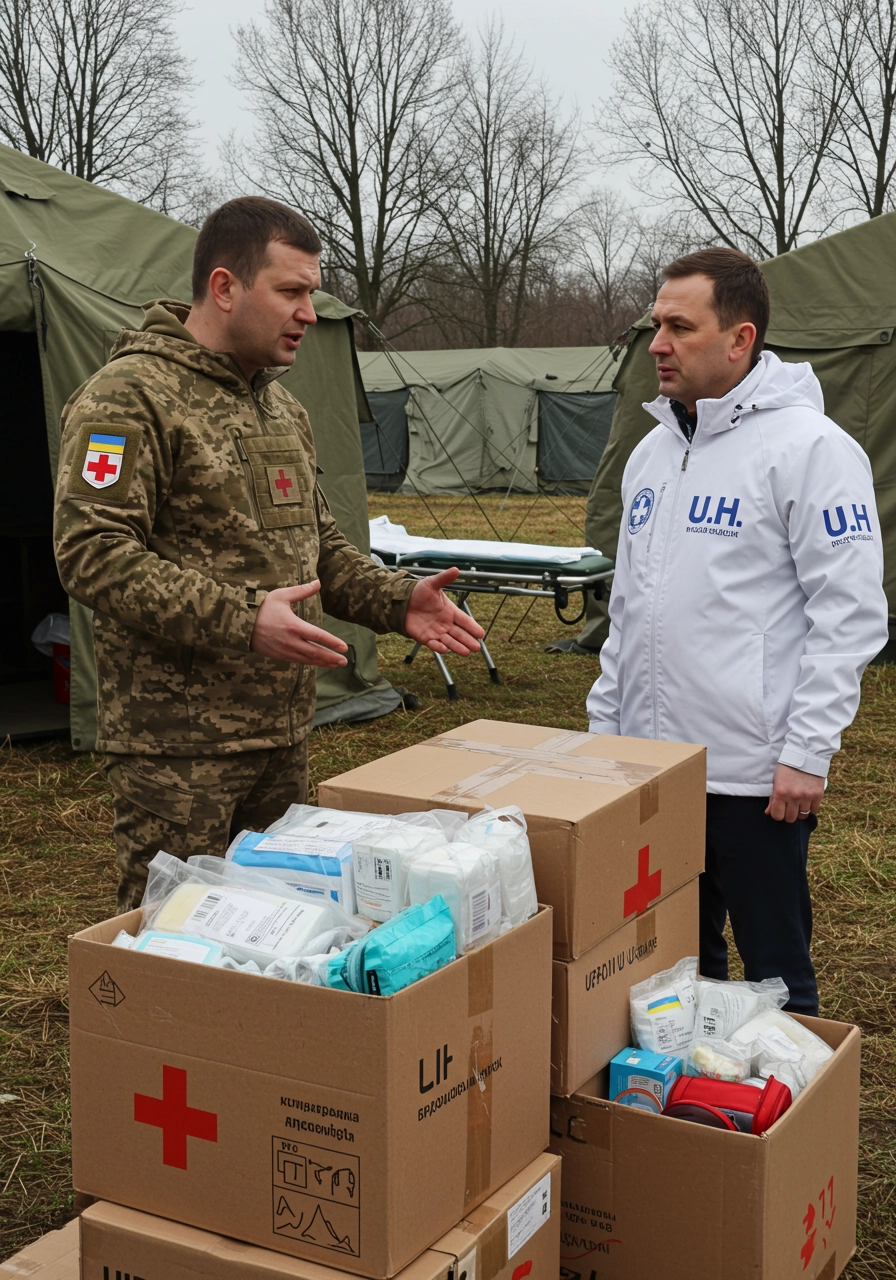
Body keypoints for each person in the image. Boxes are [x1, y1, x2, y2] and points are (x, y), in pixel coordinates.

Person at [54, 196, 483, 912]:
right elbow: (91, 552)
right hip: (177, 749)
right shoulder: (128, 399)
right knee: (173, 937)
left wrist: (393, 598)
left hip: (281, 733)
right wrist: (243, 618)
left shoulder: (281, 408)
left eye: (311, 294)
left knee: (272, 930)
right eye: (290, 291)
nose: (309, 314)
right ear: (224, 288)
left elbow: (317, 547)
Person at [586, 248, 888, 1014]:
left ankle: (792, 1122)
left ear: (740, 339)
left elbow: (849, 614)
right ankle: (698, 1123)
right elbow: (630, 609)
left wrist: (806, 752)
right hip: (655, 771)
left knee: (776, 977)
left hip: (757, 780)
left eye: (680, 327)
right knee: (670, 971)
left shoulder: (810, 450)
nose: (657, 343)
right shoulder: (651, 454)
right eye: (657, 324)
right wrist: (604, 740)